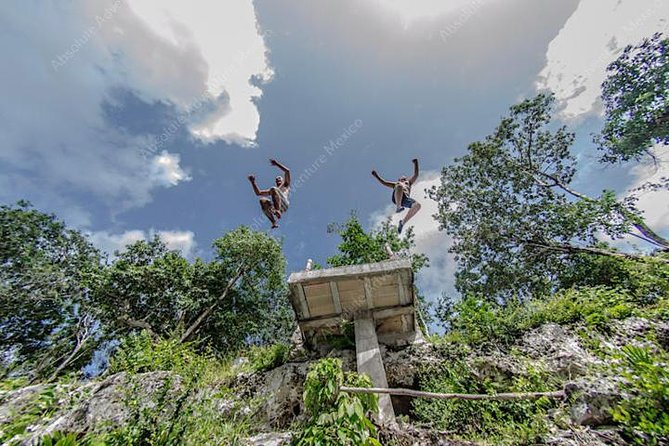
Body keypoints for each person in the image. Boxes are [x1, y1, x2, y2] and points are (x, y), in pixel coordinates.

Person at [371, 158, 421, 234]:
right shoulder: (396, 183)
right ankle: (398, 207)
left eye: (405, 178)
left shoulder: (409, 183)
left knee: (417, 205)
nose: (404, 179)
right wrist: (376, 175)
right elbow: (384, 182)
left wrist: (416, 163)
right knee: (399, 186)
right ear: (399, 179)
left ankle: (402, 222)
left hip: (405, 199)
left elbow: (416, 174)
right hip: (397, 198)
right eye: (402, 178)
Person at [248, 159, 291, 229]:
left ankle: (278, 210)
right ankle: (273, 222)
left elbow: (287, 171)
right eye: (277, 180)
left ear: (283, 180)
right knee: (262, 200)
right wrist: (253, 182)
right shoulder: (273, 191)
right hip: (276, 205)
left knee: (273, 189)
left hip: (284, 204)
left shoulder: (286, 184)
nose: (278, 180)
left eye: (279, 179)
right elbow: (258, 193)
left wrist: (276, 164)